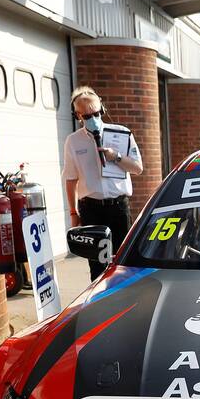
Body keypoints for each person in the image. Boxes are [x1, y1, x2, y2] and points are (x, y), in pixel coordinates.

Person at [63, 86, 144, 280]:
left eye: (96, 113)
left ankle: (126, 301)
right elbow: (70, 179)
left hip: (118, 206)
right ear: (78, 116)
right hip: (91, 209)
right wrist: (74, 213)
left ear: (102, 110)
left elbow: (137, 168)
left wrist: (115, 157)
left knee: (125, 262)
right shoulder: (73, 142)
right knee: (98, 266)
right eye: (87, 115)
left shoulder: (122, 134)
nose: (93, 118)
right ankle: (102, 305)